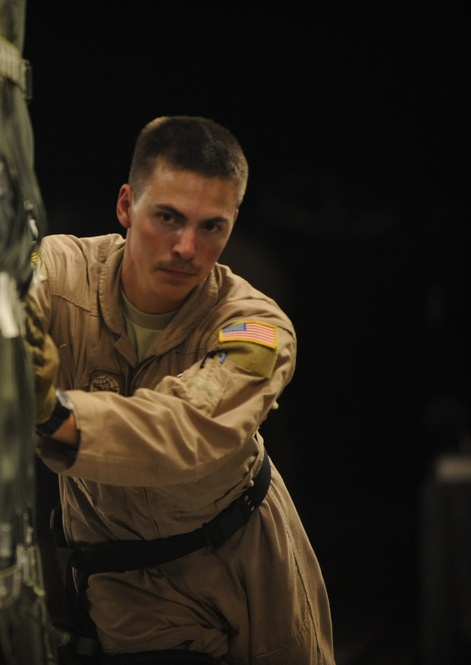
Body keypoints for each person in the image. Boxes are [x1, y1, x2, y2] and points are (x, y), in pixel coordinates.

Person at [24, 116, 334, 664]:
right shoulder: (59, 271)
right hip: (130, 577)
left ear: (232, 226)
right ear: (126, 206)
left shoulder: (255, 324)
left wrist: (57, 416)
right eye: (167, 218)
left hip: (252, 562)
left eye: (210, 227)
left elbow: (191, 427)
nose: (187, 246)